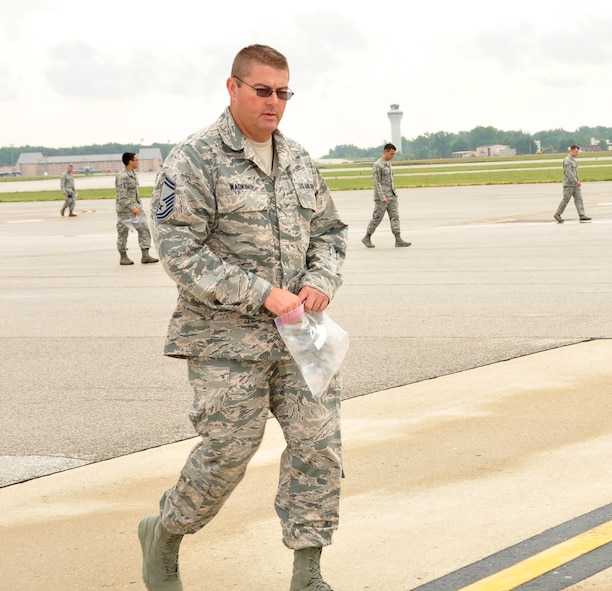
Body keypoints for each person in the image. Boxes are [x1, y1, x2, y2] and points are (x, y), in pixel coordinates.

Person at [139, 44, 348, 591]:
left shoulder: (298, 158)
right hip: (224, 339)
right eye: (263, 90)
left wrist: (320, 281)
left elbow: (330, 231)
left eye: (283, 92)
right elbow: (179, 250)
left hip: (300, 338)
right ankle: (165, 532)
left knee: (319, 444)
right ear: (233, 89)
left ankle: (308, 572)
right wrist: (262, 293)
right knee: (228, 452)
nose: (274, 102)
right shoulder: (195, 159)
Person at [361, 143, 411, 248]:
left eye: (394, 154)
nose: (393, 156)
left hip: (392, 195)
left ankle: (398, 239)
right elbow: (377, 182)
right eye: (391, 154)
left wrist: (394, 193)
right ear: (386, 151)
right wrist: (382, 197)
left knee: (395, 217)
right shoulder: (378, 165)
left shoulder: (388, 164)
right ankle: (367, 237)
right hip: (382, 198)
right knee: (377, 218)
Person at [115, 152, 159, 265]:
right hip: (126, 211)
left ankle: (145, 255)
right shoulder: (122, 176)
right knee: (123, 233)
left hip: (136, 209)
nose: (137, 162)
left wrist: (137, 207)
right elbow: (121, 195)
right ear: (130, 161)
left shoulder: (132, 174)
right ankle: (123, 256)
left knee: (144, 229)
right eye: (136, 160)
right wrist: (132, 207)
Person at [554, 145, 591, 223]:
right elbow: (568, 173)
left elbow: (575, 173)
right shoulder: (567, 160)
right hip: (569, 184)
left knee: (579, 199)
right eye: (576, 152)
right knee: (565, 200)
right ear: (571, 150)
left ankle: (581, 215)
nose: (577, 153)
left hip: (575, 184)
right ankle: (557, 214)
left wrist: (578, 180)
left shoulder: (573, 160)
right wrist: (575, 181)